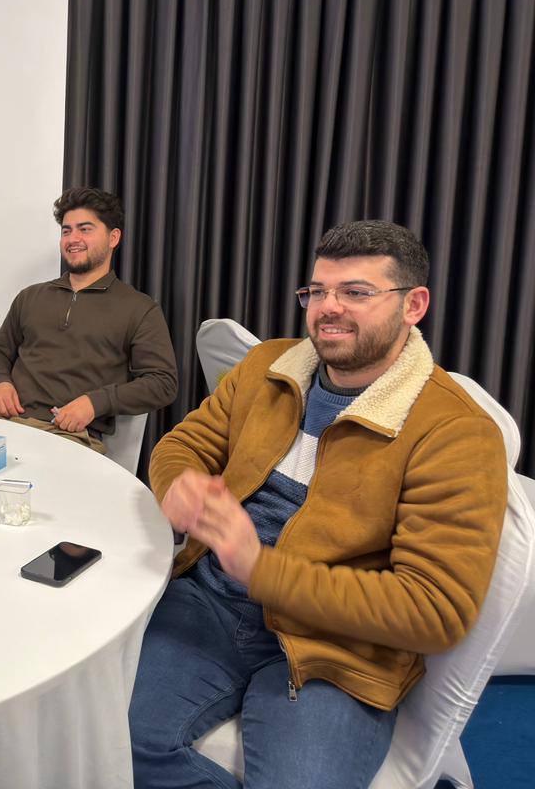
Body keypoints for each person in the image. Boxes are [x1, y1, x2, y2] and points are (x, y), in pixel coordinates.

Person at [130, 220, 508, 789]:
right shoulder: (267, 367)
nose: (329, 307)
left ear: (413, 305)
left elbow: (435, 611)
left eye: (356, 292)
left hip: (340, 649)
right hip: (209, 601)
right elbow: (184, 444)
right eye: (317, 291)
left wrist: (260, 568)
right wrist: (179, 483)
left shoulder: (457, 433)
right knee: (105, 736)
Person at [0, 187, 178, 453]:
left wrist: (94, 403)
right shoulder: (31, 296)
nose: (73, 239)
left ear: (113, 237)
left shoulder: (139, 309)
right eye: (66, 231)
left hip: (68, 438)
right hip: (2, 425)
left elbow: (162, 382)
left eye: (85, 229)